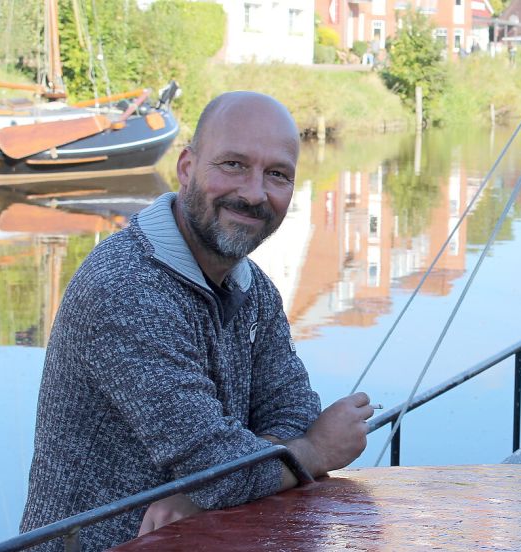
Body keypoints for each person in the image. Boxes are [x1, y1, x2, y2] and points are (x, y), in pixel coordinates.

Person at [19, 91, 373, 550]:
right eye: (232, 165)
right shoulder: (127, 287)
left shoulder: (254, 287)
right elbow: (224, 463)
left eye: (277, 175)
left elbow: (292, 411)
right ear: (186, 168)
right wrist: (314, 451)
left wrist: (206, 495)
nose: (253, 193)